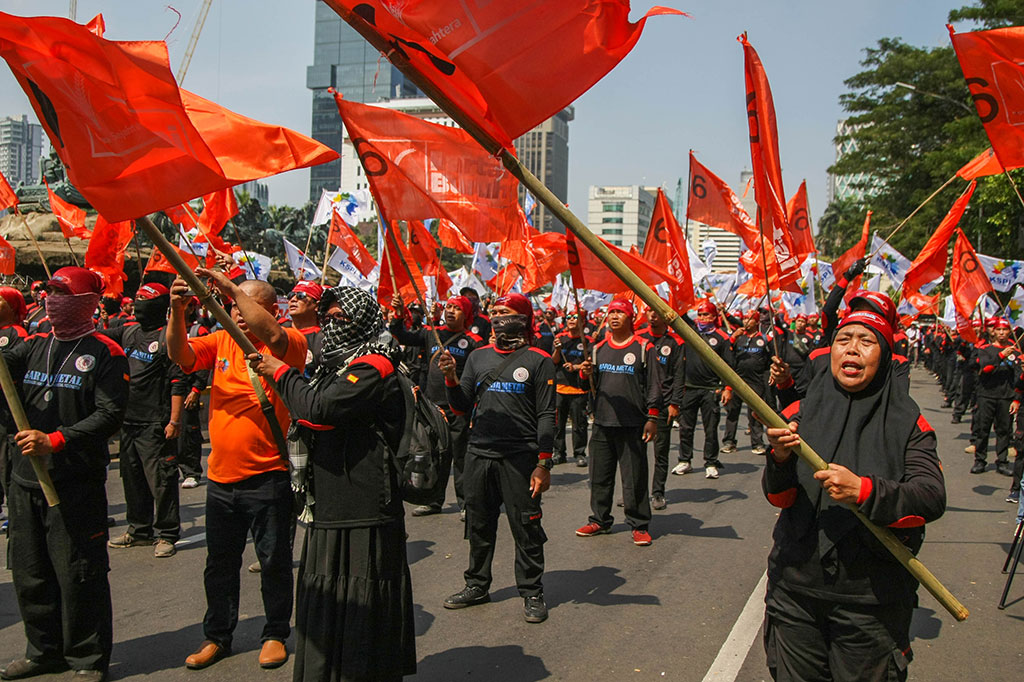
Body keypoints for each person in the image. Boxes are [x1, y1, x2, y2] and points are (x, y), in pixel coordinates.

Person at [763, 309, 946, 681]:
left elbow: (930, 496)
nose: (852, 350)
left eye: (866, 342)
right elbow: (780, 498)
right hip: (795, 590)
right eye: (844, 341)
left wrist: (864, 490)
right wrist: (779, 458)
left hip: (871, 602)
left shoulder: (909, 422)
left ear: (884, 356)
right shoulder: (799, 412)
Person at [248, 286, 416, 682]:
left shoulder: (376, 365)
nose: (334, 325)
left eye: (343, 319)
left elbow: (320, 408)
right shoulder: (330, 366)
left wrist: (282, 374)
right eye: (330, 318)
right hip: (332, 502)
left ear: (363, 323)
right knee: (327, 599)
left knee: (362, 600)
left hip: (366, 505)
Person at [167, 270, 307, 671]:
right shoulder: (221, 339)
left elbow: (277, 339)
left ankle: (276, 632)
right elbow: (181, 355)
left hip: (270, 478)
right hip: (222, 480)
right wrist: (176, 312)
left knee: (274, 562)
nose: (238, 315)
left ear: (272, 311)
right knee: (220, 565)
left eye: (249, 306)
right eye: (232, 306)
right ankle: (217, 636)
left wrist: (230, 287)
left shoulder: (289, 343)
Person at [0, 267, 130, 682]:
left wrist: (55, 440)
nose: (52, 298)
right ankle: (43, 651)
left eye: (62, 292)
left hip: (73, 482)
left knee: (79, 572)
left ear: (86, 301)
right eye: (49, 291)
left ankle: (87, 657)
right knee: (30, 571)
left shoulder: (106, 351)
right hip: (25, 480)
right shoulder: (34, 343)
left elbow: (110, 415)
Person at [440, 292, 554, 623]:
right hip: (479, 453)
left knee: (526, 527)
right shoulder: (477, 357)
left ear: (522, 318)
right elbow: (461, 406)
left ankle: (532, 591)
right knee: (478, 523)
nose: (497, 318)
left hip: (520, 458)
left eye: (505, 313)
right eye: (494, 312)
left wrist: (543, 463)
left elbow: (547, 414)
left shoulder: (538, 360)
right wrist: (450, 378)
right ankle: (476, 585)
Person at [102, 282, 184, 558]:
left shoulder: (167, 337)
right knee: (132, 479)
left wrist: (174, 421)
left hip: (156, 423)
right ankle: (139, 530)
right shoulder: (129, 331)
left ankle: (167, 534)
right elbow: (97, 336)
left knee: (161, 480)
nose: (138, 304)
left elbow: (177, 382)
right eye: (136, 299)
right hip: (129, 421)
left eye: (144, 300)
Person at [576, 299, 663, 545]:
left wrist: (652, 417)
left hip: (633, 422)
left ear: (630, 317)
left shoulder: (644, 347)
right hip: (603, 421)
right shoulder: (598, 348)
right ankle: (600, 520)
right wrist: (585, 373)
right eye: (611, 312)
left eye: (620, 312)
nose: (614, 316)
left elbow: (654, 384)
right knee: (599, 475)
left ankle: (639, 524)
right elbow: (587, 387)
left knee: (634, 476)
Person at [390, 294, 481, 517]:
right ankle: (433, 500)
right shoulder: (432, 333)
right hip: (433, 408)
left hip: (459, 407)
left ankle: (466, 503)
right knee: (435, 455)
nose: (450, 311)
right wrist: (399, 314)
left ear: (466, 315)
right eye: (448, 306)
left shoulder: (473, 342)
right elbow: (401, 335)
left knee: (460, 456)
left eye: (456, 308)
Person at [671, 300, 734, 479]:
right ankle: (685, 460)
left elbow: (729, 366)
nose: (702, 318)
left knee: (711, 428)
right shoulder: (690, 333)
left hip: (711, 389)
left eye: (706, 314)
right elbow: (678, 316)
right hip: (689, 389)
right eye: (700, 314)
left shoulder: (722, 337)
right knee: (685, 427)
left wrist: (727, 388)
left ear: (714, 317)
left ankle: (711, 462)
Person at [636, 305, 680, 511]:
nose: (653, 315)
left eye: (658, 311)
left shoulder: (675, 342)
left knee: (660, 451)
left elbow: (679, 375)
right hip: (639, 403)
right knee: (635, 452)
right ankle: (636, 493)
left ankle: (658, 492)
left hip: (663, 405)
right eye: (649, 311)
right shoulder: (638, 339)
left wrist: (675, 403)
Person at [971, 318, 1018, 475]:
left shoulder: (1015, 351)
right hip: (987, 395)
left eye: (1004, 330)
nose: (1002, 333)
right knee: (983, 429)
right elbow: (985, 368)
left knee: (1004, 430)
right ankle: (980, 460)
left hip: (1006, 397)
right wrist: (1001, 356)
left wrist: (1016, 398)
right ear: (994, 332)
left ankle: (1002, 461)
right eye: (998, 330)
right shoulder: (986, 349)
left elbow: (1019, 377)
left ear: (1009, 332)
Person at [723, 309, 772, 456]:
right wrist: (732, 338)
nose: (745, 321)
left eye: (749, 319)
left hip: (756, 381)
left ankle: (757, 443)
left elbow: (770, 359)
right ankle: (729, 441)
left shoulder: (763, 339)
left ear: (756, 321)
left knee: (755, 414)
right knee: (732, 412)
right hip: (738, 380)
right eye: (744, 319)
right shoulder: (739, 337)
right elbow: (726, 353)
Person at [551, 309, 592, 467]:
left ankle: (579, 453)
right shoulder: (559, 338)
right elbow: (554, 361)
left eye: (576, 317)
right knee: (558, 423)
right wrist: (557, 350)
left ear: (583, 322)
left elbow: (590, 362)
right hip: (560, 387)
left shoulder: (587, 340)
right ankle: (558, 452)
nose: (571, 319)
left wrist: (576, 367)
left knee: (579, 423)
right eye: (569, 317)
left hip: (579, 389)